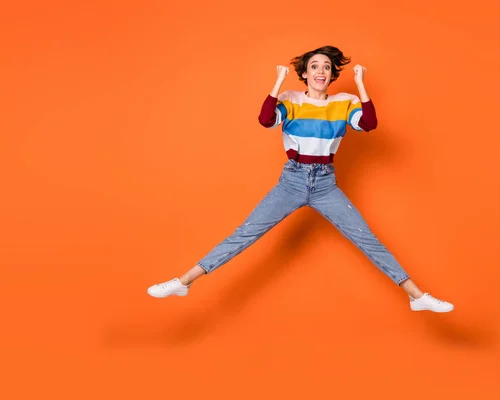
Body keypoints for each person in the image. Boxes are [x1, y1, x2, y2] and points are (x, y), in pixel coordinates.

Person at [147, 45, 454, 313]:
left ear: (332, 74)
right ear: (305, 74)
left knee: (367, 240)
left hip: (325, 184)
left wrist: (361, 84)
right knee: (244, 234)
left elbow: (370, 124)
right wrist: (278, 81)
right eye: (314, 66)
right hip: (292, 181)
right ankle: (183, 282)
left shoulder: (344, 102)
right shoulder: (290, 98)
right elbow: (266, 120)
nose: (321, 70)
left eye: (326, 66)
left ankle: (417, 297)